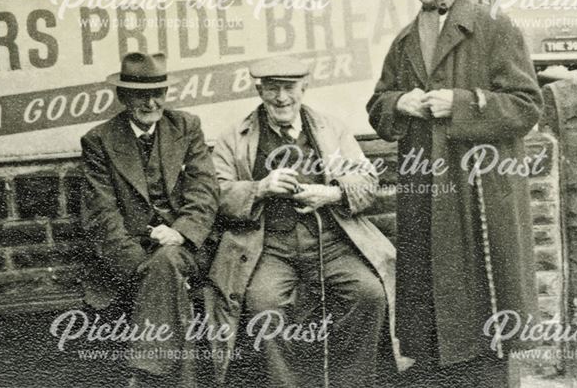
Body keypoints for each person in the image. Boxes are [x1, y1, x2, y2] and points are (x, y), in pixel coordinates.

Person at [366, 0, 543, 388]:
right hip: (426, 191)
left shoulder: (494, 27)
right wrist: (398, 104)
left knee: (485, 314)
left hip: (480, 194)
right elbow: (378, 104)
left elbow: (527, 106)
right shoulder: (405, 39)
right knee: (430, 311)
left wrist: (460, 104)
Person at [207, 56, 400, 388]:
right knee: (263, 305)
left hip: (333, 243)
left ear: (304, 88)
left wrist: (332, 193)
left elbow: (367, 182)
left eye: (289, 88)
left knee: (369, 294)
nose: (282, 98)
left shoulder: (330, 129)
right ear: (260, 90)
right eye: (272, 89)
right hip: (268, 248)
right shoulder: (234, 138)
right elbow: (215, 193)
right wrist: (259, 188)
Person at [80, 52, 219, 388]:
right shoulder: (99, 140)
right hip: (133, 255)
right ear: (123, 97)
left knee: (169, 259)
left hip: (186, 246)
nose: (151, 102)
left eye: (158, 93)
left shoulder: (186, 127)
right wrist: (137, 265)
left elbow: (205, 191)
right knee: (164, 270)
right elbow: (101, 214)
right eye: (141, 95)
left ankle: (142, 374)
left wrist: (181, 233)